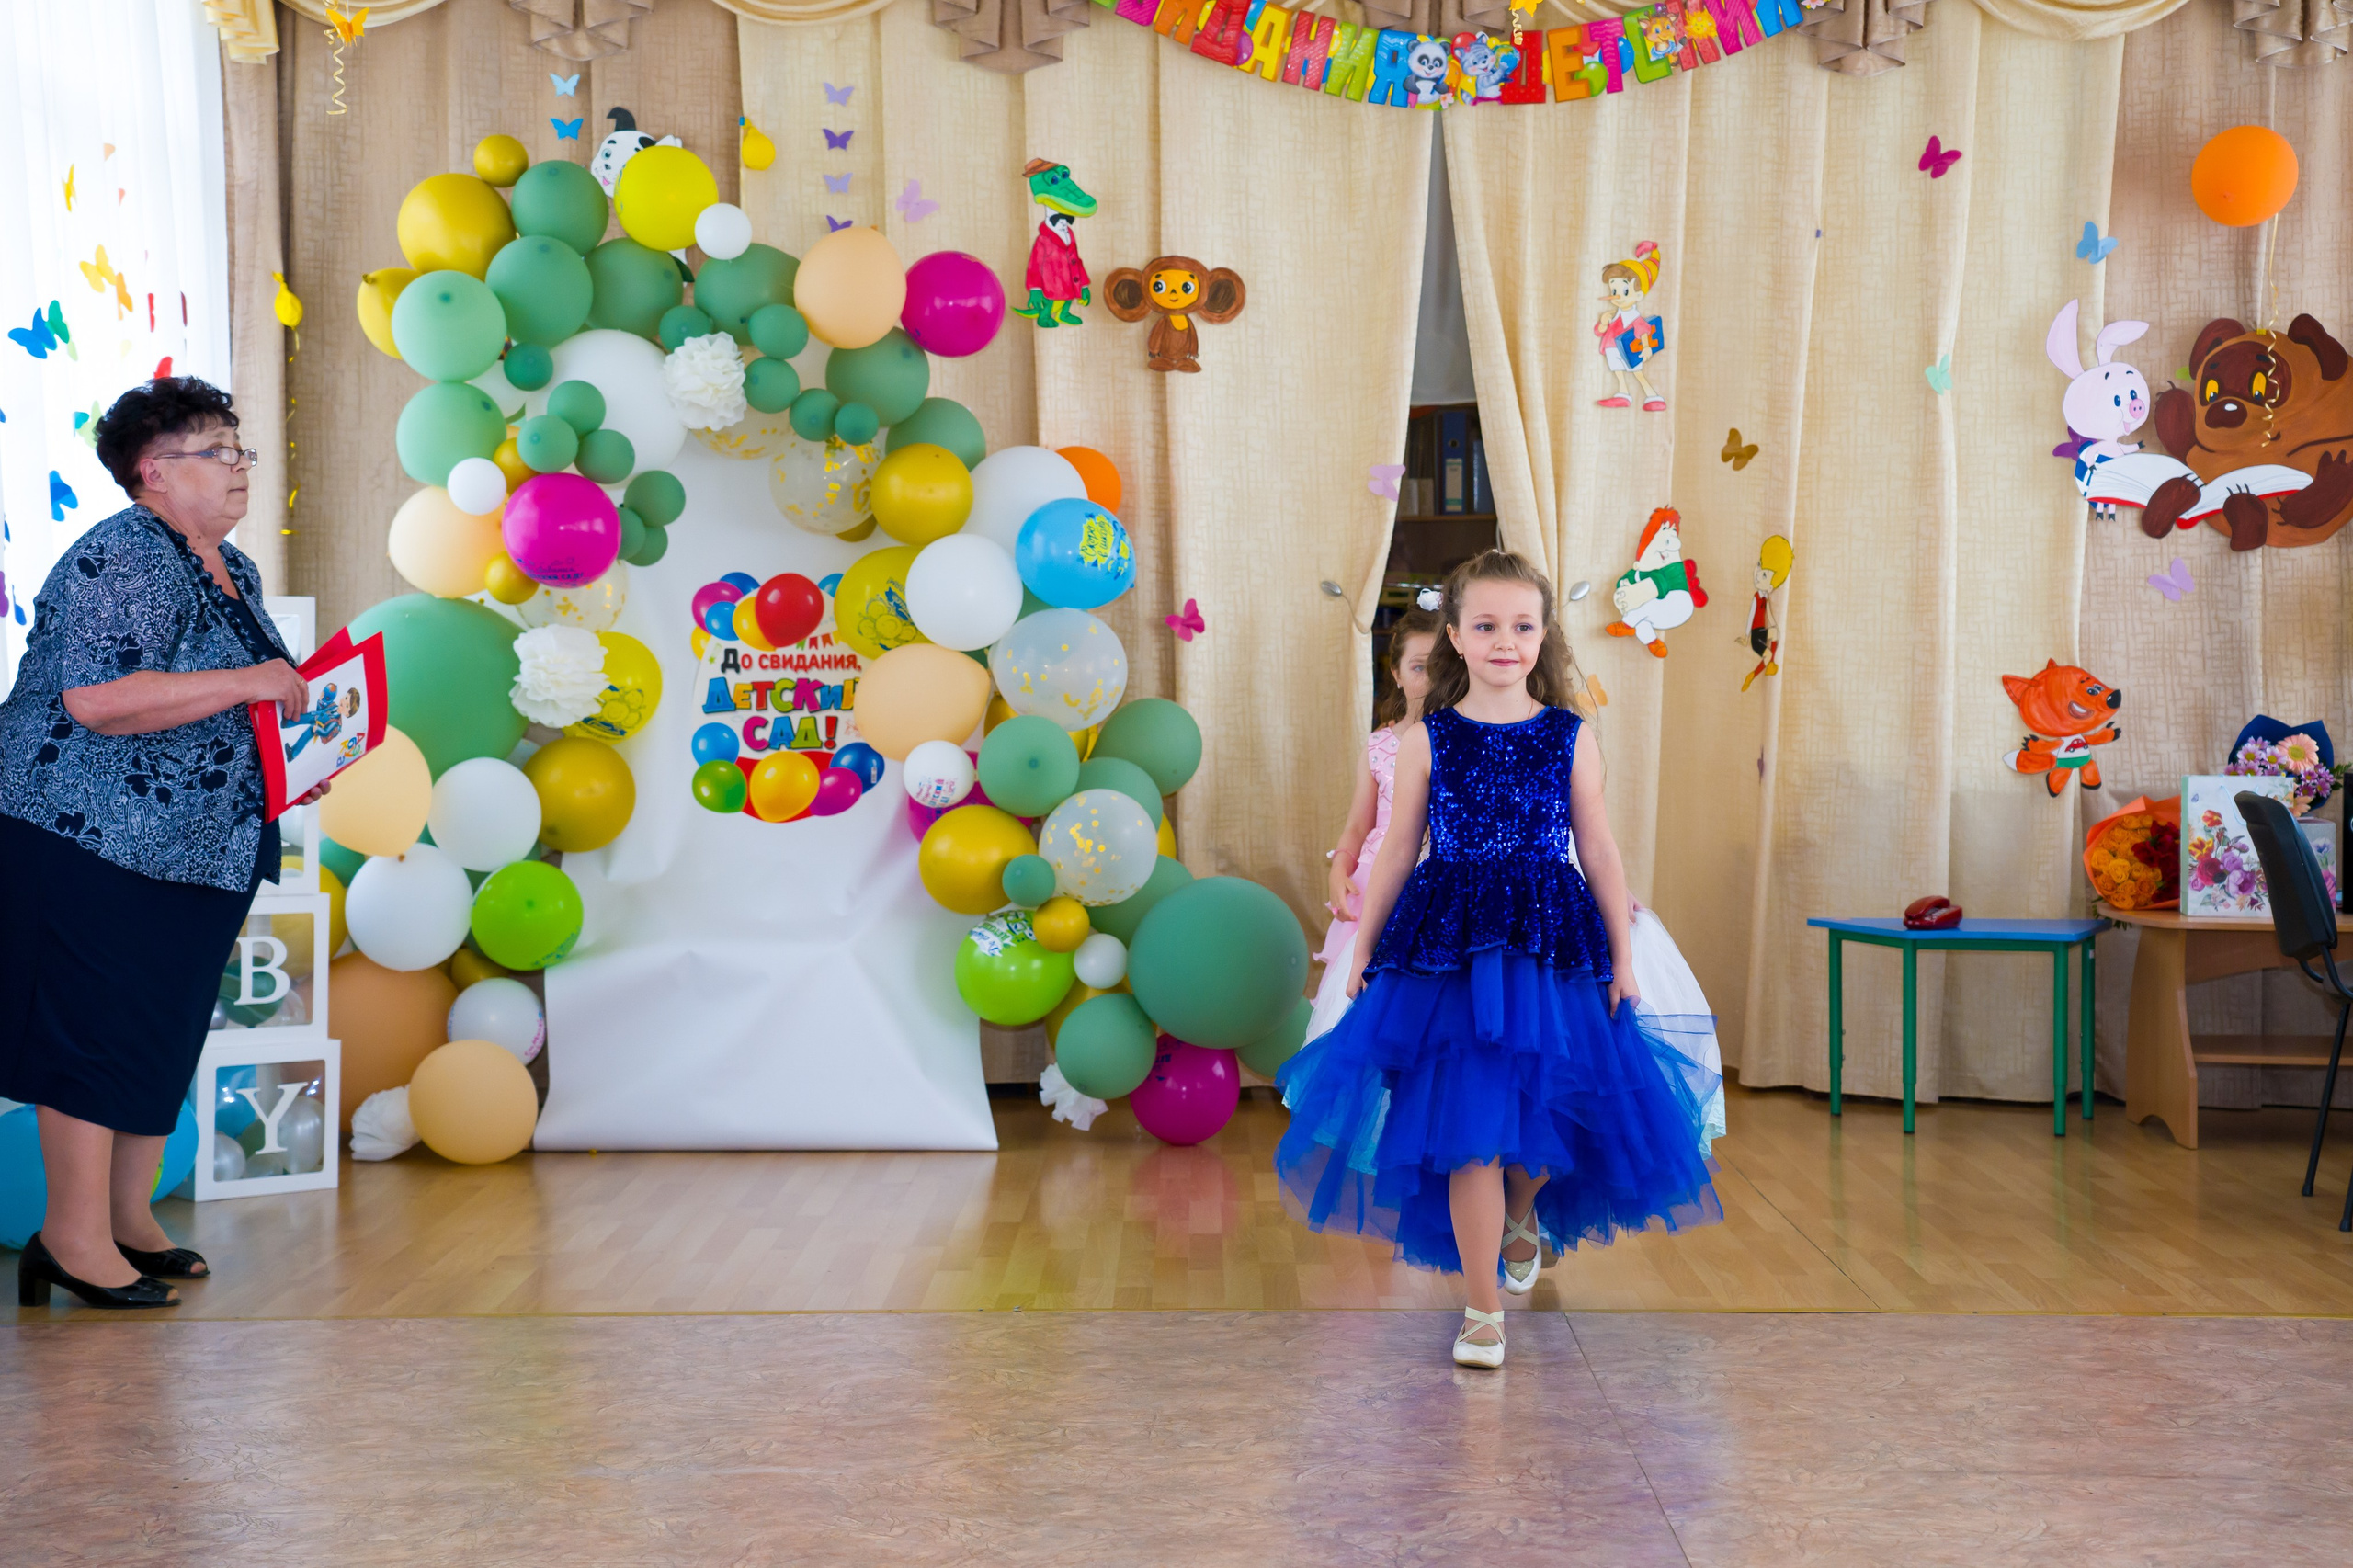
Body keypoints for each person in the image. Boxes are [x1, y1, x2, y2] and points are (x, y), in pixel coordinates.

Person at [1273, 550, 1719, 1368]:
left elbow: (1601, 852)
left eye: (1521, 626)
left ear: (1543, 636)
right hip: (1447, 945)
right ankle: (1483, 1310)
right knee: (1470, 1124)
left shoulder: (1570, 738)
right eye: (1486, 626)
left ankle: (1524, 1209)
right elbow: (1398, 847)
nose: (1505, 640)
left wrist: (1623, 959)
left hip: (1552, 943)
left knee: (1546, 1107)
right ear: (1456, 636)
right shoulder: (1427, 741)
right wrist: (1364, 947)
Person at [0, 377, 327, 1310]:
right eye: (215, 451)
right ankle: (68, 1236)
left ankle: (127, 1217)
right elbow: (96, 699)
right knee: (92, 1033)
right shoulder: (123, 552)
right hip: (87, 830)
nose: (239, 468)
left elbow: (247, 702)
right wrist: (250, 685)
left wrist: (302, 756)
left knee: (160, 1029)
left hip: (193, 842)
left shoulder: (235, 570)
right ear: (152, 471)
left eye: (240, 449)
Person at [1306, 597, 1442, 1043]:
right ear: (1397, 673)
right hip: (1377, 880)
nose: (1432, 678)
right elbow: (1358, 824)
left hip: (1439, 882)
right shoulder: (1380, 744)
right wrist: (1340, 865)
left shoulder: (1467, 739)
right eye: (1419, 666)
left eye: (1443, 664)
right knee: (1368, 1007)